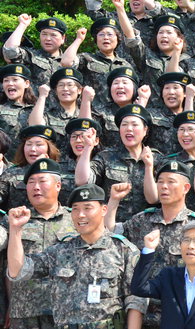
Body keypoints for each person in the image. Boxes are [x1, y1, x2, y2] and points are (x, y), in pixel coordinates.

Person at [5, 184, 146, 328]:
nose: (81, 215)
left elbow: (136, 300)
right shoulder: (59, 251)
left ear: (104, 210)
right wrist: (15, 230)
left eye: (87, 208)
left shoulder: (123, 250)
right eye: (76, 209)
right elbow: (18, 271)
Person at [0, 158, 76, 329]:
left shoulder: (75, 219)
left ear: (58, 185)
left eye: (42, 181)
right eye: (31, 182)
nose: (35, 187)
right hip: (25, 312)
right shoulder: (13, 219)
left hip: (66, 311)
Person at [75, 104, 162, 223]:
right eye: (124, 124)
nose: (129, 129)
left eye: (134, 125)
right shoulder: (106, 157)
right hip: (112, 225)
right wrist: (88, 147)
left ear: (145, 130)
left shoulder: (157, 158)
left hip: (147, 227)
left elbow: (155, 199)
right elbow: (82, 181)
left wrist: (149, 166)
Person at [60, 18, 132, 107]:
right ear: (96, 39)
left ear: (118, 39)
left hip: (118, 113)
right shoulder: (87, 58)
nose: (106, 38)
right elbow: (66, 62)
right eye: (101, 34)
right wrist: (78, 39)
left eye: (110, 34)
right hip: (92, 113)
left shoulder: (125, 65)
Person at [0, 125, 60, 211]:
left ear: (49, 148)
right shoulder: (11, 173)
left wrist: (42, 168)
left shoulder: (61, 173)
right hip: (18, 221)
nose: (32, 149)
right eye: (28, 144)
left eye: (39, 145)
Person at [2, 15, 66, 88]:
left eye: (53, 35)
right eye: (44, 34)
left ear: (63, 38)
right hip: (35, 99)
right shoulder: (30, 55)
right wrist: (22, 24)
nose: (48, 38)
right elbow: (10, 51)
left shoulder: (70, 61)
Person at [0, 63, 36, 158]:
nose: (10, 83)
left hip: (31, 164)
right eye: (6, 80)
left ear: (26, 83)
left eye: (15, 80)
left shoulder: (37, 109)